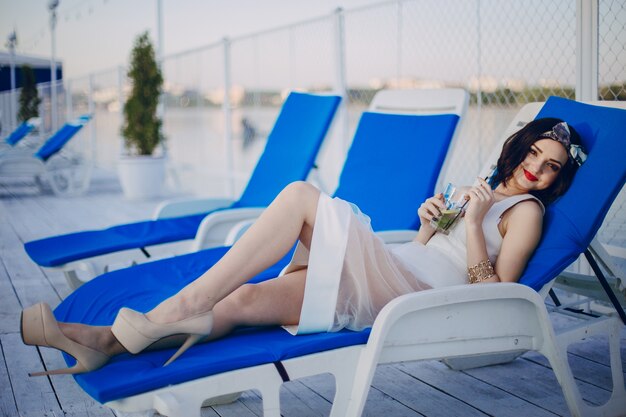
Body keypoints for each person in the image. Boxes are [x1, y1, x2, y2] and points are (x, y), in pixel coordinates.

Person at [20, 117, 586, 376]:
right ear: (517, 150)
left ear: (556, 179)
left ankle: (175, 309)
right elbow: (424, 248)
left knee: (299, 196)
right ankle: (102, 343)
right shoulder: (478, 189)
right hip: (397, 268)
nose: (537, 170)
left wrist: (474, 226)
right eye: (534, 156)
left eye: (550, 168)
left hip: (417, 296)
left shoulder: (526, 213)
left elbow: (495, 291)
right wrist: (429, 221)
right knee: (242, 302)